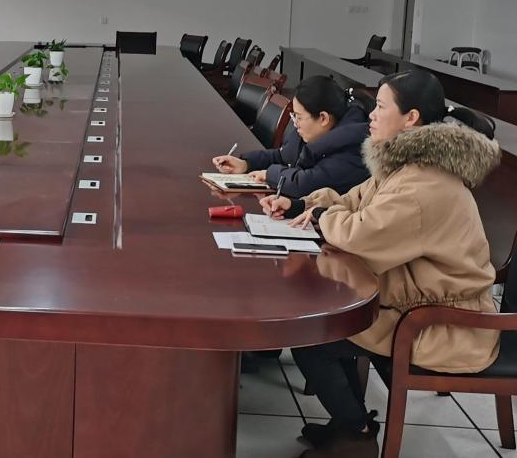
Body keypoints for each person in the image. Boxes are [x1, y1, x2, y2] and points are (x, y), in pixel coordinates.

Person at [260, 70, 500, 456]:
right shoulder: (408, 164)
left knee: (313, 335)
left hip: (444, 324)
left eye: (381, 107)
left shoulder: (426, 182)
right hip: (412, 305)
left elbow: (362, 235)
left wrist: (322, 217)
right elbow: (356, 200)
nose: (370, 115)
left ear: (411, 118)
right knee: (325, 327)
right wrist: (302, 204)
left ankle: (355, 435)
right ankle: (349, 423)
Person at [212, 76, 372, 198]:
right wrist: (246, 163)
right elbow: (282, 156)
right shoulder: (313, 133)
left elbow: (305, 184)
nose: (295, 124)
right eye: (294, 116)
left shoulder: (353, 146)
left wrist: (269, 175)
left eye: (299, 117)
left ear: (323, 118)